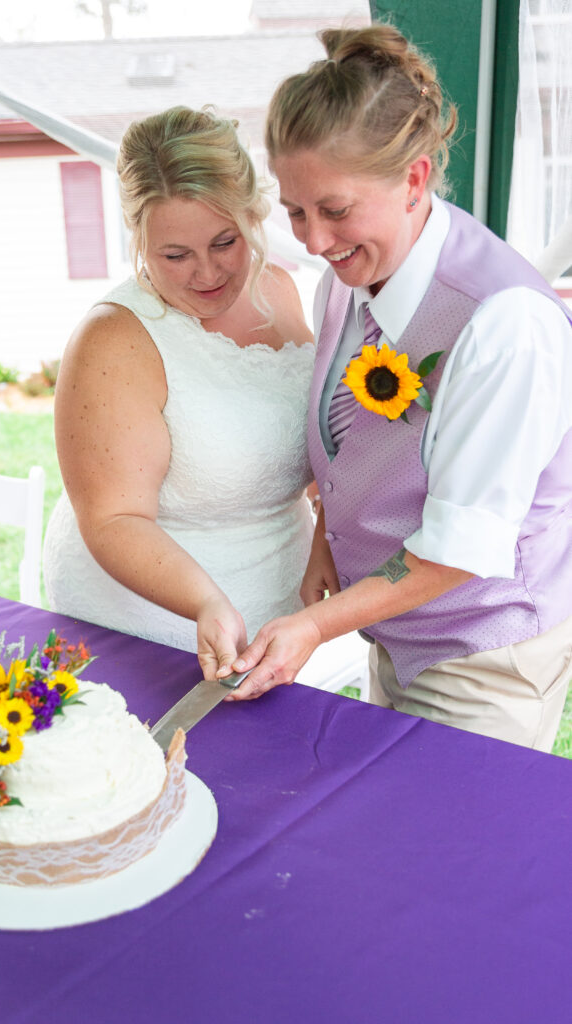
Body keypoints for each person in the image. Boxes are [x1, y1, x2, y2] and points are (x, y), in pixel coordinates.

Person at [228, 24, 572, 752]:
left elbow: (459, 548)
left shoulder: (503, 323)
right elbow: (353, 443)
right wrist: (327, 538)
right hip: (386, 634)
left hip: (482, 658)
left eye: (335, 209)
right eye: (295, 211)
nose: (313, 241)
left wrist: (315, 627)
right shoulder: (345, 278)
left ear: (413, 179)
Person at [43, 105, 315, 680]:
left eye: (225, 242)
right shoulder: (113, 339)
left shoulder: (281, 290)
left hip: (285, 621)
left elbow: (304, 434)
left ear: (253, 215)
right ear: (138, 236)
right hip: (151, 631)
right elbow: (115, 517)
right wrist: (205, 602)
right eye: (175, 255)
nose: (208, 273)